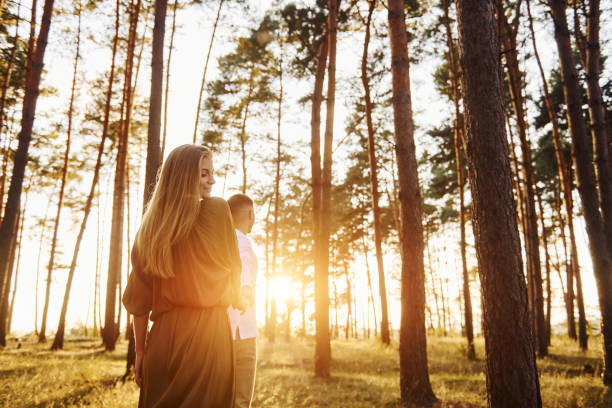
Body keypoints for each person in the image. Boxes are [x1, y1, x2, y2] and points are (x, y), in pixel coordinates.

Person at [122, 144, 243, 408]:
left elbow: (139, 304)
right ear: (183, 177)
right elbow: (235, 269)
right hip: (209, 338)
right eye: (204, 174)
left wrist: (141, 353)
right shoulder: (218, 211)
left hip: (162, 339)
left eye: (211, 173)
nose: (212, 180)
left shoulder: (150, 230)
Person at [227, 194, 258, 408]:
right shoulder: (242, 242)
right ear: (250, 214)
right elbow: (244, 265)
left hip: (221, 331)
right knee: (240, 402)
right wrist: (245, 291)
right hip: (242, 333)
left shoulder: (220, 241)